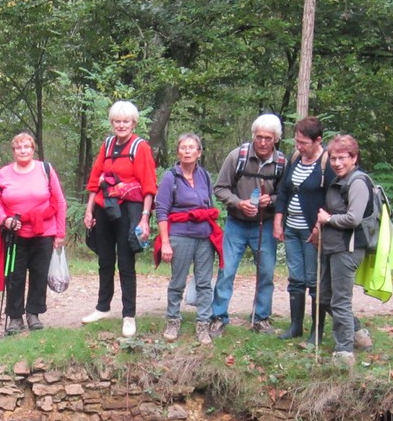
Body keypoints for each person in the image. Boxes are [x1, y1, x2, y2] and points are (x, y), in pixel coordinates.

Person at [82, 101, 158, 338]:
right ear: (112, 123)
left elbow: (148, 186)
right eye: (117, 121)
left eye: (126, 121)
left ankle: (129, 315)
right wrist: (89, 210)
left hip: (130, 210)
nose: (121, 125)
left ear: (133, 123)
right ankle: (102, 308)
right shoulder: (107, 145)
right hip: (105, 208)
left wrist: (144, 218)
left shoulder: (140, 147)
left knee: (126, 262)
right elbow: (95, 180)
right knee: (105, 259)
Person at [211, 114, 286, 336]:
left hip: (266, 225)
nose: (263, 143)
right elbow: (220, 188)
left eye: (268, 138)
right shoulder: (237, 157)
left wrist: (270, 201)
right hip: (237, 223)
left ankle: (261, 318)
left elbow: (286, 194)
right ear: (253, 135)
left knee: (266, 272)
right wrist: (239, 203)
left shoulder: (282, 163)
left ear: (276, 139)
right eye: (259, 137)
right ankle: (218, 316)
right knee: (227, 270)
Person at [0, 132, 67, 334]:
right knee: (14, 276)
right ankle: (15, 317)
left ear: (33, 149)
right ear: (13, 151)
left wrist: (60, 233)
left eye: (27, 147)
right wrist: (4, 220)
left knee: (39, 274)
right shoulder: (4, 173)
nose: (23, 151)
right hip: (15, 232)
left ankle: (34, 314)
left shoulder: (45, 170)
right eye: (18, 147)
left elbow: (59, 201)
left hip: (44, 231)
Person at [154, 132, 223, 345]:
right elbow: (162, 210)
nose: (187, 151)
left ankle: (203, 324)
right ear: (178, 152)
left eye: (191, 147)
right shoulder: (170, 177)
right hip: (179, 236)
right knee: (177, 281)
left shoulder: (205, 176)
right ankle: (173, 320)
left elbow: (209, 205)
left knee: (204, 283)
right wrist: (165, 242)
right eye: (183, 147)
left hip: (204, 236)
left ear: (199, 153)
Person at [272, 116, 335, 341]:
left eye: (303, 142)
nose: (299, 146)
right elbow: (284, 191)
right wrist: (278, 221)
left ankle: (316, 331)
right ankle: (295, 326)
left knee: (313, 280)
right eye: (297, 141)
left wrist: (319, 227)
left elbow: (333, 199)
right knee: (295, 279)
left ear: (318, 140)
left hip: (313, 233)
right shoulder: (296, 158)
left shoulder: (328, 163)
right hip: (292, 229)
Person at [316, 134, 376, 368]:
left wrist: (328, 219)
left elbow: (354, 218)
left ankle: (344, 353)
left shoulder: (358, 182)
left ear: (354, 158)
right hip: (333, 246)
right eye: (333, 158)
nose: (337, 163)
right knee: (325, 297)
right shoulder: (341, 179)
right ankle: (358, 333)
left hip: (348, 248)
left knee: (340, 300)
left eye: (342, 158)